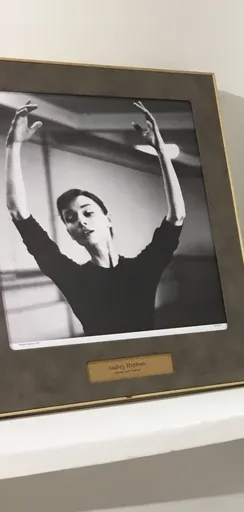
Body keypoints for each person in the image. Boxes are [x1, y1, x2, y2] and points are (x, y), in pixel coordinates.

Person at [4, 99, 186, 338]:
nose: (81, 221)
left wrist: (161, 150)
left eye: (88, 212)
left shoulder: (143, 268)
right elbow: (18, 213)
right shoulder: (72, 277)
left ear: (107, 219)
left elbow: (177, 216)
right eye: (70, 218)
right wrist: (13, 145)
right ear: (70, 232)